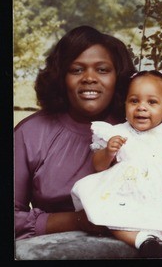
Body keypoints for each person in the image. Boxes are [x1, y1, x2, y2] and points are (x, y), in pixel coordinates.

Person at [71, 70, 162, 258]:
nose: (141, 108)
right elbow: (98, 166)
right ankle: (143, 240)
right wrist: (108, 151)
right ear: (125, 105)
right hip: (131, 197)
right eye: (134, 101)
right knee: (109, 219)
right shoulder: (116, 132)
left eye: (152, 102)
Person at [14, 25, 136, 240]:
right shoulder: (29, 134)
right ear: (61, 77)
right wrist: (78, 220)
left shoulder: (138, 129)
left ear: (118, 77)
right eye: (76, 69)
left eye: (102, 70)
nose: (89, 78)